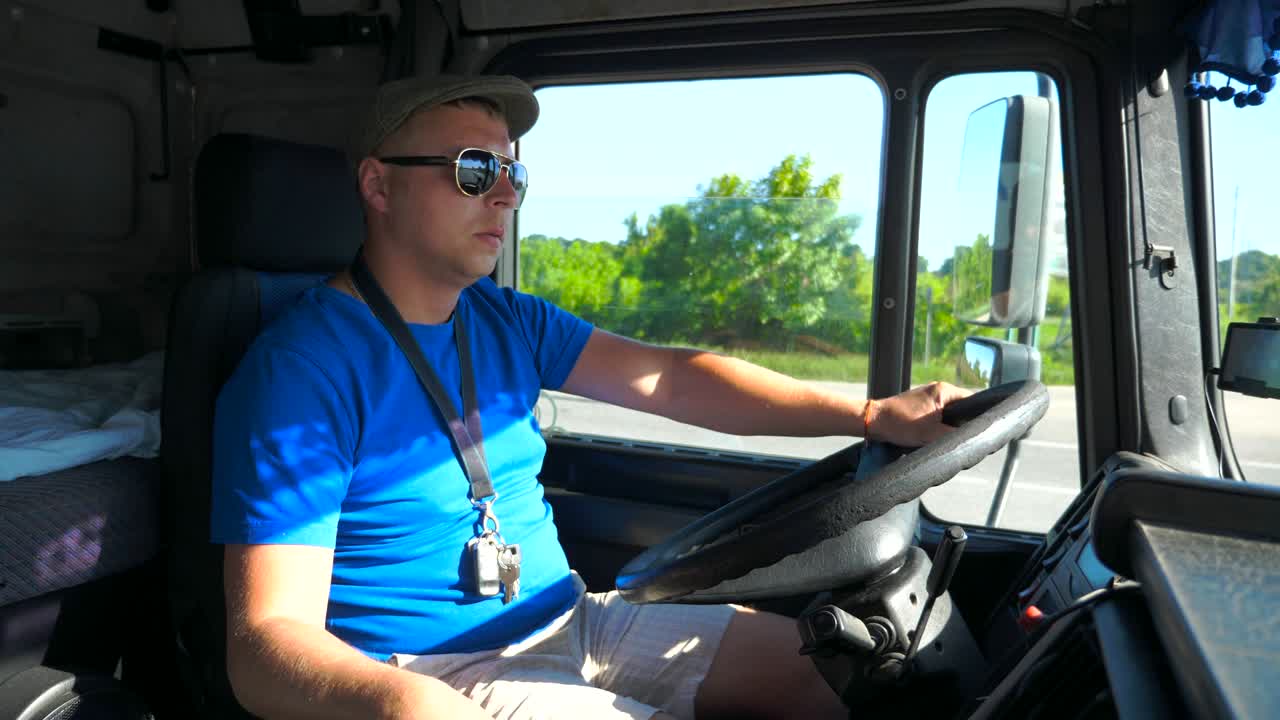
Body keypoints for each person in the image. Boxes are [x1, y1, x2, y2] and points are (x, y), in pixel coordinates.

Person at [211, 74, 971, 720]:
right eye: (476, 170)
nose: (505, 195)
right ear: (379, 185)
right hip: (435, 672)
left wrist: (871, 416)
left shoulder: (505, 319)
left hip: (575, 618)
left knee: (839, 672)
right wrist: (402, 704)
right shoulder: (301, 370)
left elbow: (671, 377)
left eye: (515, 174)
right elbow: (264, 639)